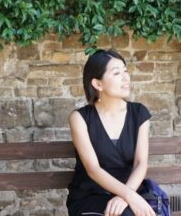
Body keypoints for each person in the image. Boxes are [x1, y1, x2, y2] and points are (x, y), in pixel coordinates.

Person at [67, 49, 157, 216]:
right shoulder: (79, 118)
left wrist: (126, 196)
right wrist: (129, 196)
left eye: (125, 71)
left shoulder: (139, 113)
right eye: (117, 73)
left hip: (131, 189)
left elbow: (140, 163)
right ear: (98, 84)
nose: (126, 77)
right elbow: (93, 169)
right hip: (91, 195)